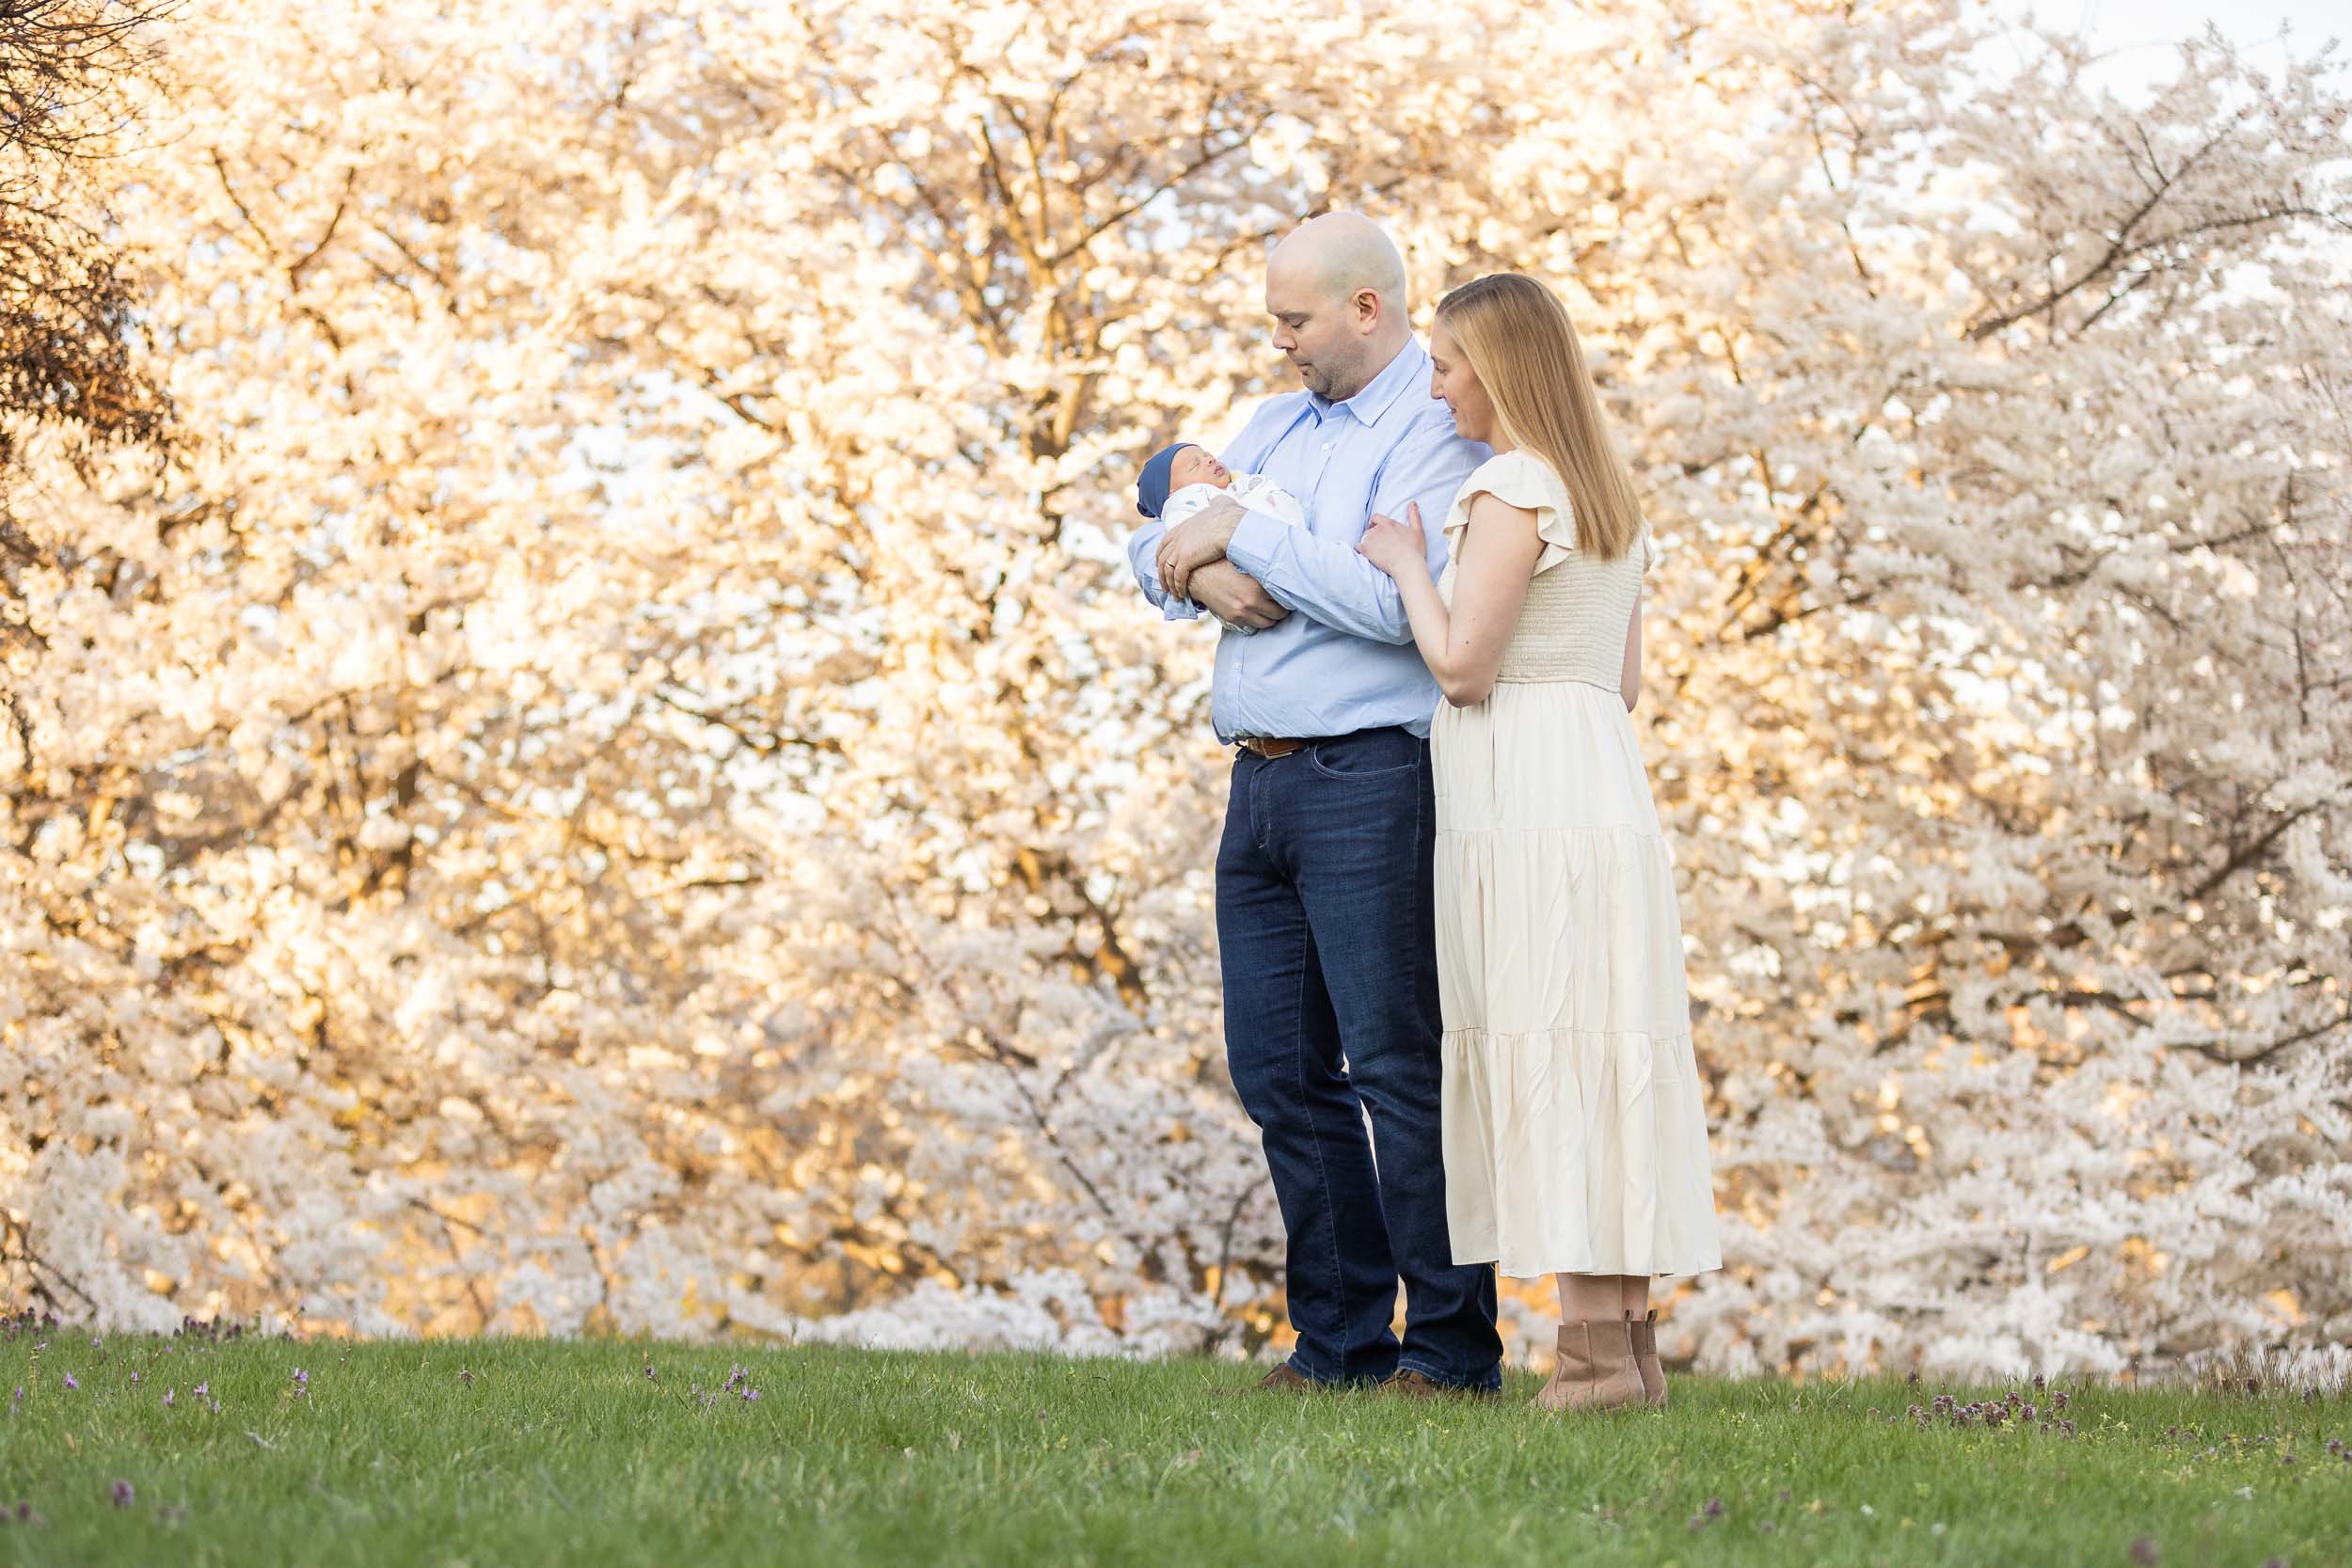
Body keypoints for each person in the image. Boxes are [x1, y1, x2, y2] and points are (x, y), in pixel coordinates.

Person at [1126, 212, 1503, 1395]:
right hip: (1260, 781)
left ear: (1366, 309)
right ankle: (1338, 1344)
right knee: (1277, 1071)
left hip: (1368, 781)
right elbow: (1150, 548)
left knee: (1397, 1065)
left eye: (1293, 318)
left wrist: (1239, 535)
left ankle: (1449, 1352)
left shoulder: (1433, 434)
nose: (1277, 337)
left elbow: (1397, 605)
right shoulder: (1271, 424)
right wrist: (1208, 555)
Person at [1356, 272, 1724, 1413]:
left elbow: (1464, 669)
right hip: (1598, 781)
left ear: (1501, 371)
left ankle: (1589, 1356)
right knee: (1598, 1044)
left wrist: (1407, 564)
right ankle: (1622, 1350)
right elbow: (1621, 680)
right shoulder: (1604, 496)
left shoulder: (1509, 486)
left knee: (1550, 1046)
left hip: (1521, 789)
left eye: (1452, 364)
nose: (1437, 383)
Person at [1134, 442, 1305, 635]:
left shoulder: (1241, 484)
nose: (1210, 459)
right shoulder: (1184, 510)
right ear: (1173, 494)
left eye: (1207, 455)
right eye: (1194, 465)